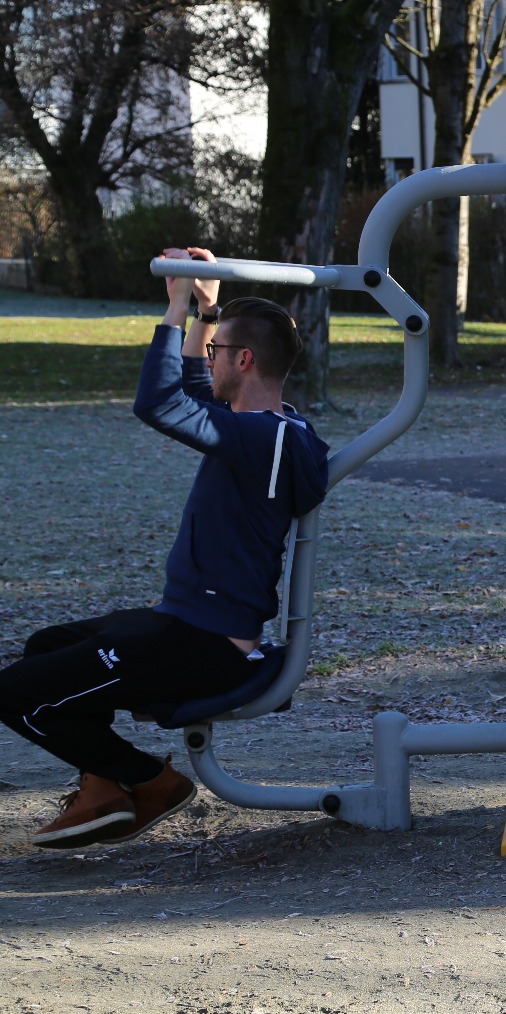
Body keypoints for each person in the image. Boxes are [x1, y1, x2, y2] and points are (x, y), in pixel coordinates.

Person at [0, 247, 329, 850]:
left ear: (245, 359)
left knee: (15, 695)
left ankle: (151, 780)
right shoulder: (268, 431)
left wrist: (175, 308)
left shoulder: (261, 438)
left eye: (216, 352)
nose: (208, 361)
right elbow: (191, 396)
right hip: (182, 626)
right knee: (46, 647)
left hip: (206, 646)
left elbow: (159, 403)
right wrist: (209, 308)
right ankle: (103, 786)